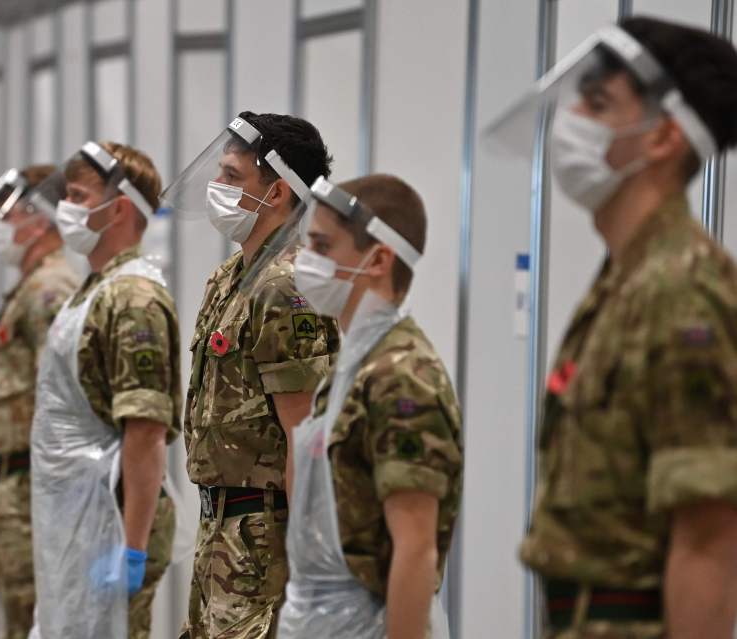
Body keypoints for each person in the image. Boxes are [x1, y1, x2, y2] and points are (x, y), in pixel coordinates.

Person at [487, 16, 737, 638]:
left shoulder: (681, 291)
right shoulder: (626, 279)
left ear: (662, 139)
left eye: (598, 104)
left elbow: (707, 541)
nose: (572, 122)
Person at [161, 112, 340, 638]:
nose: (218, 187)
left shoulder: (287, 286)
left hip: (265, 539)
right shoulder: (232, 278)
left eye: (233, 177)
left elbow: (302, 436)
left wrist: (306, 571)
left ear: (277, 192)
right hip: (220, 528)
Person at [276, 175, 461, 639]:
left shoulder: (402, 376)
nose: (305, 260)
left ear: (378, 259)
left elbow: (416, 549)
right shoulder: (354, 365)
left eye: (322, 245)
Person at [29, 141, 180, 639]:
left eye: (76, 196)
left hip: (109, 522)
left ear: (117, 208)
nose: (64, 210)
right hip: (78, 513)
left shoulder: (134, 297)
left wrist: (132, 547)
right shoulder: (95, 289)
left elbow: (145, 428)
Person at [0, 164, 79, 639]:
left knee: (31, 616)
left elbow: (64, 395)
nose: (0, 225)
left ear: (41, 219)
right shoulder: (30, 288)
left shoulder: (50, 290)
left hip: (35, 483)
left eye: (8, 213)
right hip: (18, 480)